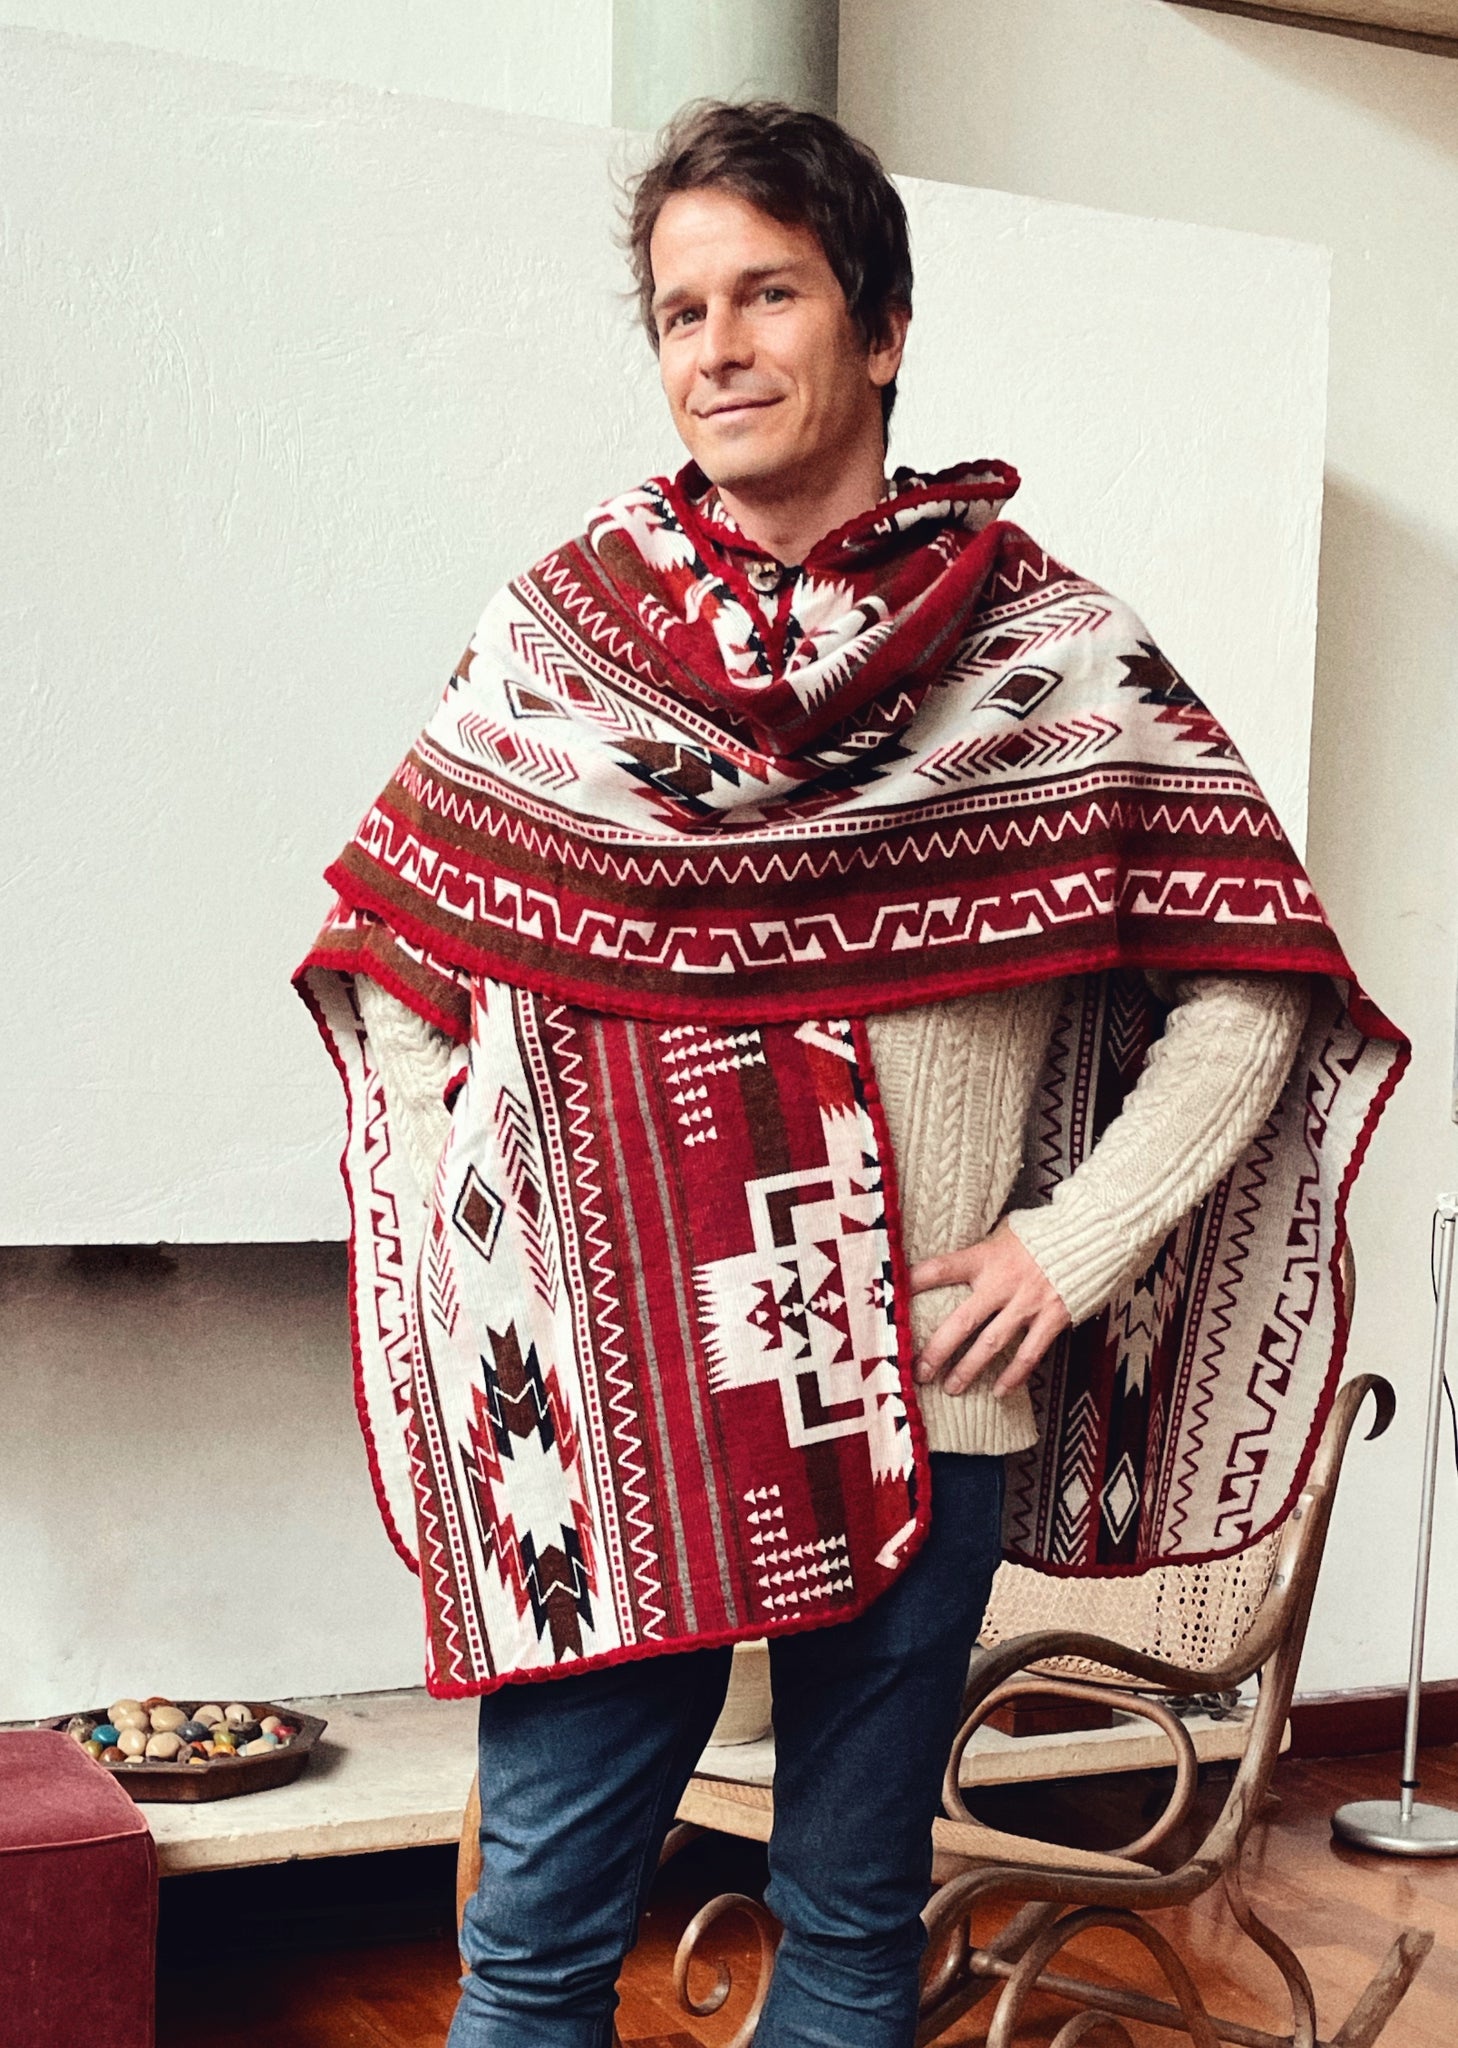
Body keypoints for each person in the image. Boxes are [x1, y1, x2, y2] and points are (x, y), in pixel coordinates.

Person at [297, 101, 1402, 2048]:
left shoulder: (1057, 664)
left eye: (767, 295)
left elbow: (1259, 985)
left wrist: (1070, 1248)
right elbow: (396, 947)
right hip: (616, 1411)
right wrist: (473, 1209)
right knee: (536, 1941)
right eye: (680, 311)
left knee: (848, 1925)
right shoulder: (557, 646)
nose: (716, 347)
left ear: (880, 327)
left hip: (919, 1394)